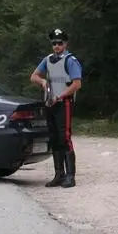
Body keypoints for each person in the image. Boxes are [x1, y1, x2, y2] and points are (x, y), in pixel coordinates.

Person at [30, 28, 83, 188]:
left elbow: (77, 84)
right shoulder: (47, 60)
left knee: (65, 137)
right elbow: (33, 76)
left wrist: (60, 96)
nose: (57, 46)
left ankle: (70, 176)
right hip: (50, 103)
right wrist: (43, 82)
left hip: (63, 103)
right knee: (54, 138)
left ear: (65, 44)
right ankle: (58, 174)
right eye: (54, 43)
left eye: (60, 43)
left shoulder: (70, 60)